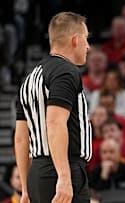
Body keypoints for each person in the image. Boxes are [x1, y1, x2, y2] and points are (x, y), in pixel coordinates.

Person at [14, 12, 92, 203]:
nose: (88, 46)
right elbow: (55, 123)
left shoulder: (30, 78)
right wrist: (65, 178)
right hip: (63, 169)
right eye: (86, 39)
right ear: (75, 40)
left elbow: (21, 137)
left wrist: (25, 188)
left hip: (37, 175)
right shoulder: (66, 71)